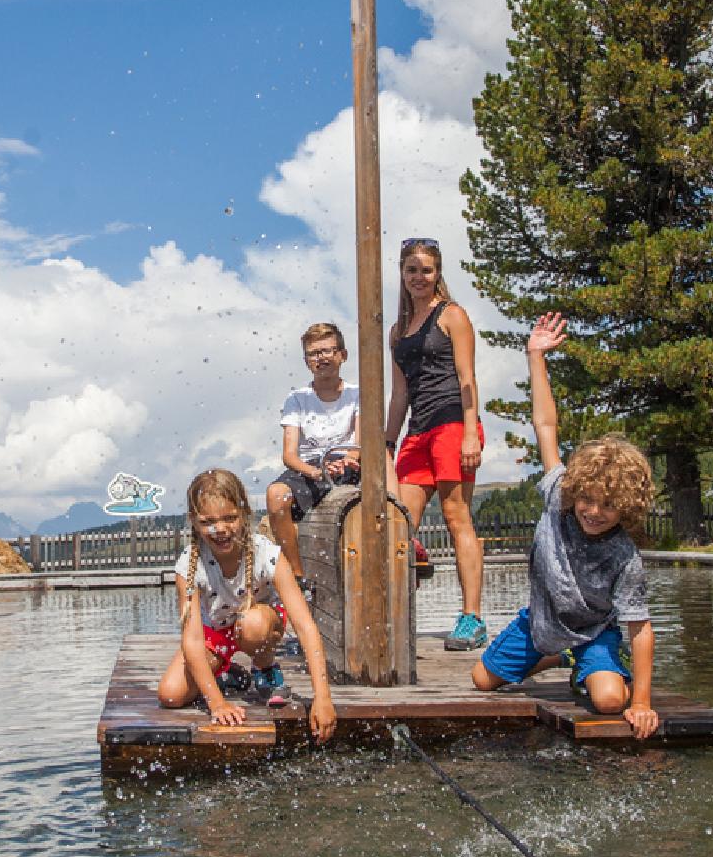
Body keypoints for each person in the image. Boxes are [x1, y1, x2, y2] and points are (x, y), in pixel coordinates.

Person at [471, 314, 660, 739]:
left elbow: (640, 628)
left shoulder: (624, 556)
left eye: (608, 506)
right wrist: (535, 357)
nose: (593, 511)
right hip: (540, 622)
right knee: (482, 679)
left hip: (594, 631)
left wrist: (642, 702)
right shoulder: (559, 494)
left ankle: (589, 661)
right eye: (587, 500)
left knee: (609, 700)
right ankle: (561, 656)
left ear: (626, 507)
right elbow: (546, 426)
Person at [156, 469, 336, 742]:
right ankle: (228, 673)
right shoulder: (188, 567)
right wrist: (217, 704)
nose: (220, 529)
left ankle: (265, 669)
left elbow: (305, 627)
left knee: (252, 623)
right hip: (216, 633)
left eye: (230, 518)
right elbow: (192, 640)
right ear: (193, 521)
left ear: (244, 513)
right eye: (208, 522)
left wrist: (322, 697)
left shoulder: (268, 554)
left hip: (259, 626)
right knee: (170, 695)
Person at [385, 238, 489, 650]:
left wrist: (470, 433)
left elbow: (467, 377)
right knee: (398, 524)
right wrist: (388, 442)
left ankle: (471, 618)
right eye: (412, 269)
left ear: (437, 273)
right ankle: (396, 616)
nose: (419, 277)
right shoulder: (397, 332)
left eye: (426, 270)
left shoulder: (451, 315)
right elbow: (399, 394)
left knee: (456, 516)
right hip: (417, 431)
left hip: (452, 423)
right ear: (402, 273)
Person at [264, 322, 363, 575]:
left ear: (342, 355)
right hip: (310, 465)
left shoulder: (357, 394)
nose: (321, 358)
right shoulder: (297, 398)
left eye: (327, 351)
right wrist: (315, 472)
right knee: (276, 495)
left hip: (347, 459)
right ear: (307, 361)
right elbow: (289, 455)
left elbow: (359, 442)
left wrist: (347, 459)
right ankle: (297, 575)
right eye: (314, 353)